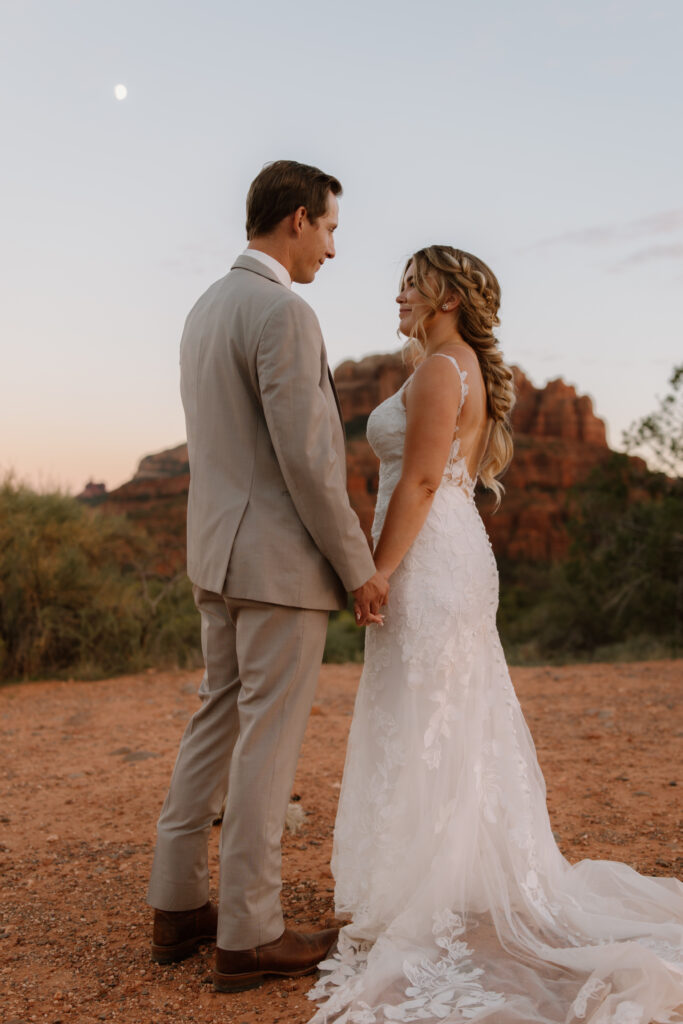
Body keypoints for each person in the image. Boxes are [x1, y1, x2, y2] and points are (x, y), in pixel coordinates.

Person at [309, 246, 683, 1023]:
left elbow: (416, 480)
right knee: (437, 717)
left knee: (433, 718)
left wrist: (375, 570)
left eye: (409, 285)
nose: (398, 297)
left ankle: (436, 894)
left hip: (428, 560)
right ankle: (437, 881)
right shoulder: (451, 363)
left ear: (445, 294)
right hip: (443, 552)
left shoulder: (445, 369)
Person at [147, 160, 389, 993]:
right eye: (327, 228)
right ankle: (249, 932)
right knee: (266, 741)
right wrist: (358, 568)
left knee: (215, 718)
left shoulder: (203, 308)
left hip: (214, 553)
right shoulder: (284, 311)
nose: (330, 247)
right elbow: (310, 461)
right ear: (294, 219)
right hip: (278, 566)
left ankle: (176, 906)